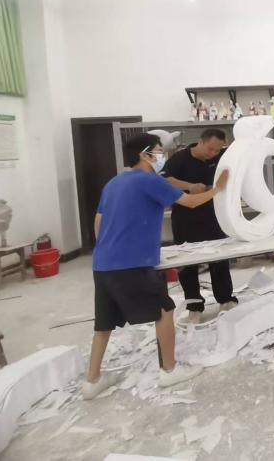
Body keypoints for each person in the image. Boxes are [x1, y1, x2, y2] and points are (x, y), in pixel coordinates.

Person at [81, 133, 229, 400]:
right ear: (145, 154)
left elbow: (99, 221)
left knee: (104, 322)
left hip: (103, 263)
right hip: (132, 262)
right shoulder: (150, 180)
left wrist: (108, 247)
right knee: (164, 310)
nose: (163, 156)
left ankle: (92, 381)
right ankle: (169, 371)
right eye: (159, 151)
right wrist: (217, 188)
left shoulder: (114, 182)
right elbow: (191, 202)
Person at [161, 128, 237, 323]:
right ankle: (194, 306)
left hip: (215, 216)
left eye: (217, 150)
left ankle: (225, 299)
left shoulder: (221, 157)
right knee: (187, 263)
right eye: (210, 148)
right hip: (186, 218)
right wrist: (189, 186)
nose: (213, 153)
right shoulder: (179, 158)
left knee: (219, 259)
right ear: (200, 142)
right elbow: (164, 180)